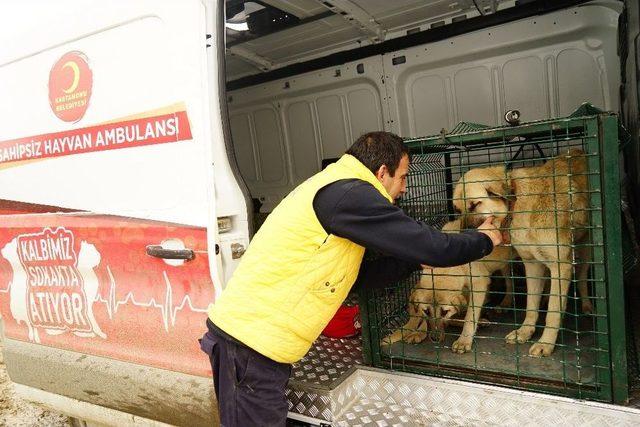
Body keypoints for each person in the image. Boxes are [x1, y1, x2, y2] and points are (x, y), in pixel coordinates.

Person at [199, 131, 502, 426]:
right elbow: (434, 246)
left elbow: (356, 280)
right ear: (382, 172)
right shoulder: (349, 193)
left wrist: (411, 259)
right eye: (403, 177)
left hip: (256, 347)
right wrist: (483, 239)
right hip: (248, 347)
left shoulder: (337, 189)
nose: (405, 188)